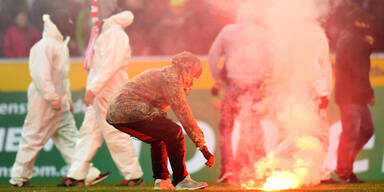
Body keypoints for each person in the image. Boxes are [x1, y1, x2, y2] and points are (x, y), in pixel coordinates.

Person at [9, 14, 106, 188]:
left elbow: (62, 78)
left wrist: (66, 98)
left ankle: (86, 173)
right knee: (33, 137)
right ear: (56, 24)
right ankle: (19, 178)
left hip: (58, 100)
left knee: (70, 138)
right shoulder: (43, 46)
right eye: (67, 21)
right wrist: (52, 97)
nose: (69, 23)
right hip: (44, 100)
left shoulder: (60, 45)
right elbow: (40, 76)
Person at [106, 51, 214, 190]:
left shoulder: (166, 74)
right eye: (194, 75)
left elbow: (157, 109)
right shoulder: (171, 79)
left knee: (160, 136)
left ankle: (162, 180)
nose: (192, 82)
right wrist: (202, 146)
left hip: (116, 113)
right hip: (127, 108)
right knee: (174, 131)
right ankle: (181, 179)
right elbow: (183, 114)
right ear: (186, 68)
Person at [61, 11, 144, 186]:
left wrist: (93, 89)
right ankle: (77, 175)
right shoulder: (109, 33)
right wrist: (94, 89)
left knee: (114, 133)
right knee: (88, 133)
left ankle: (134, 175)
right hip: (101, 92)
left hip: (108, 91)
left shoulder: (114, 34)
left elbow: (109, 65)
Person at [207, 3, 273, 183]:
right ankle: (255, 168)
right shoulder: (264, 33)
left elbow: (213, 56)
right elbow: (272, 61)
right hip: (254, 86)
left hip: (233, 84)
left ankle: (228, 169)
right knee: (251, 127)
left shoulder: (228, 31)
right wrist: (264, 82)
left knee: (226, 129)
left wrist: (217, 79)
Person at [333, 8, 375, 183]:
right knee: (351, 132)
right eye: (365, 22)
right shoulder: (353, 41)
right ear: (358, 23)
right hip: (351, 94)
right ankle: (344, 171)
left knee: (365, 130)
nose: (368, 26)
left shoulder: (351, 39)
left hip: (354, 94)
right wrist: (369, 93)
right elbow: (358, 70)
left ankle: (345, 165)